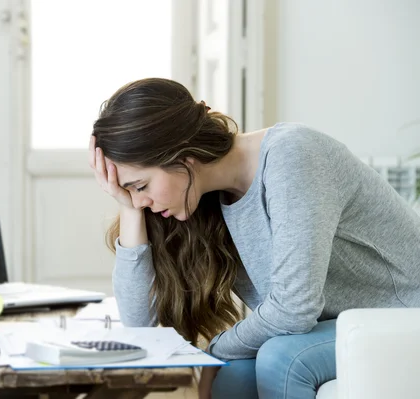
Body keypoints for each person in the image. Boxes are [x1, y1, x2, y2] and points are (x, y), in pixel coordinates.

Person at [88, 77, 420, 399]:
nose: (140, 200)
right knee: (232, 376)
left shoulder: (292, 155)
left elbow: (294, 310)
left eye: (141, 186)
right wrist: (128, 208)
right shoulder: (204, 200)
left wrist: (211, 351)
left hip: (403, 316)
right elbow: (140, 327)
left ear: (182, 156)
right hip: (337, 326)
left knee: (282, 359)